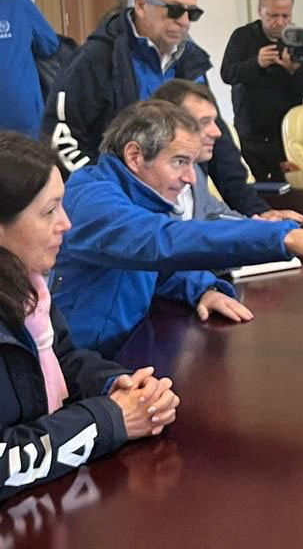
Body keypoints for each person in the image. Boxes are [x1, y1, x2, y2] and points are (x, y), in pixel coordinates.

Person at [53, 100, 303, 357]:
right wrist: (282, 236)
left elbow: (156, 268)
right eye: (179, 162)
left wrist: (202, 288)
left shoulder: (139, 193)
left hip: (123, 351)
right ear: (135, 155)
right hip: (82, 369)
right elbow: (159, 241)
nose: (191, 178)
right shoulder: (90, 199)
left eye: (193, 164)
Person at [0, 131, 179, 502]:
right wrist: (110, 419)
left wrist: (118, 386)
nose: (66, 223)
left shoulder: (28, 289)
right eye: (49, 211)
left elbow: (63, 358)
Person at [41, 0, 268, 217]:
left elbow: (217, 143)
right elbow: (61, 136)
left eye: (192, 13)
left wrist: (256, 211)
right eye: (174, 10)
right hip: (118, 210)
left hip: (184, 207)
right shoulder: (97, 59)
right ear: (141, 5)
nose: (184, 21)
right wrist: (105, 193)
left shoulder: (190, 60)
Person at [151, 79, 303, 222]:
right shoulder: (150, 184)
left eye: (214, 122)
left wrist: (269, 227)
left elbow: (218, 215)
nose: (217, 133)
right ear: (169, 125)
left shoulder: (195, 171)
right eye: (204, 122)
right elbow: (175, 235)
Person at [220, 0, 303, 181]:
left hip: (287, 137)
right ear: (260, 11)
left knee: (294, 191)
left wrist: (292, 71)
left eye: (285, 16)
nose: (280, 22)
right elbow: (227, 74)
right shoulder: (242, 37)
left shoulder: (302, 42)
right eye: (273, 15)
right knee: (253, 192)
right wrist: (256, 63)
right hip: (250, 134)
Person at [0, 0, 58, 137]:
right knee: (30, 151)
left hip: (20, 112)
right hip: (22, 111)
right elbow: (50, 45)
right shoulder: (17, 1)